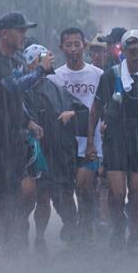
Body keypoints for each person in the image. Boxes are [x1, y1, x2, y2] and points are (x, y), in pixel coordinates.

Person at [88, 29, 138, 251]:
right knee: (117, 193)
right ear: (124, 52)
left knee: (137, 194)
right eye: (134, 52)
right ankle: (117, 227)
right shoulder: (111, 75)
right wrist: (91, 142)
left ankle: (133, 238)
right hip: (115, 138)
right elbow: (95, 110)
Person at [0, 11, 44, 254]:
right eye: (20, 31)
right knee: (5, 200)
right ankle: (5, 251)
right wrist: (39, 72)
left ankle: (16, 245)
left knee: (21, 194)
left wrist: (28, 122)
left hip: (16, 138)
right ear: (5, 34)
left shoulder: (17, 61)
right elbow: (9, 87)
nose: (24, 36)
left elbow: (17, 98)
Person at [7, 44, 84, 253]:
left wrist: (72, 114)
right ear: (33, 61)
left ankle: (54, 236)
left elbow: (78, 107)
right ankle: (23, 236)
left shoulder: (55, 85)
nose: (50, 61)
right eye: (43, 58)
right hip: (29, 152)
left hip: (55, 151)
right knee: (31, 197)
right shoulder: (20, 86)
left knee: (53, 196)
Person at [49, 27, 105, 244]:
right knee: (63, 191)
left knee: (84, 186)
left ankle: (87, 225)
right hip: (64, 143)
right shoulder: (55, 77)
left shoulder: (98, 75)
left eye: (77, 44)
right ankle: (72, 227)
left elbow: (103, 106)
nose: (73, 49)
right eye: (68, 45)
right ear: (61, 48)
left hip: (90, 143)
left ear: (85, 46)